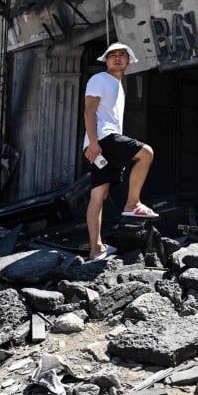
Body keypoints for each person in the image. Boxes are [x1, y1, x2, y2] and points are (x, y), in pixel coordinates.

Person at [83, 42, 157, 261]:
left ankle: (96, 249)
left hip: (100, 142)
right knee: (146, 153)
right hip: (103, 138)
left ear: (128, 61)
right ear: (105, 61)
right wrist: (94, 142)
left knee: (99, 195)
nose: (116, 58)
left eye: (121, 55)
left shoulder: (117, 84)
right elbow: (89, 111)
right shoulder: (100, 79)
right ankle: (133, 203)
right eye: (112, 55)